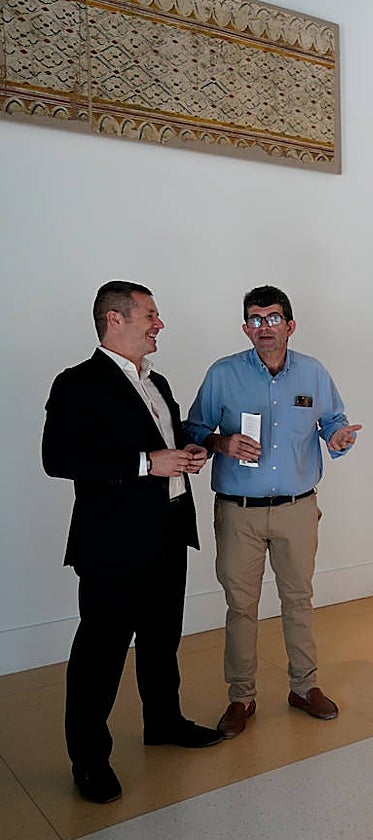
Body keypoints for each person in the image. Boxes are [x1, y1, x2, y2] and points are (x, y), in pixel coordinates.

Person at [42, 280, 221, 804]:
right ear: (114, 319)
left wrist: (190, 450)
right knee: (100, 654)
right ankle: (89, 760)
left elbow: (165, 442)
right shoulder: (77, 382)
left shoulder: (156, 380)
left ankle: (163, 722)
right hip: (112, 544)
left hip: (169, 530)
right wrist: (146, 463)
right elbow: (58, 459)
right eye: (150, 314)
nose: (159, 323)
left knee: (162, 640)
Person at [185, 286, 362, 739]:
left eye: (274, 318)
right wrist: (221, 442)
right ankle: (241, 697)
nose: (265, 327)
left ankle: (304, 687)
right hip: (239, 513)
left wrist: (338, 437)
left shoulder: (313, 373)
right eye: (256, 319)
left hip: (297, 510)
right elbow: (195, 429)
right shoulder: (223, 374)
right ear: (246, 328)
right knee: (241, 606)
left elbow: (333, 421)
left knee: (298, 600)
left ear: (290, 325)